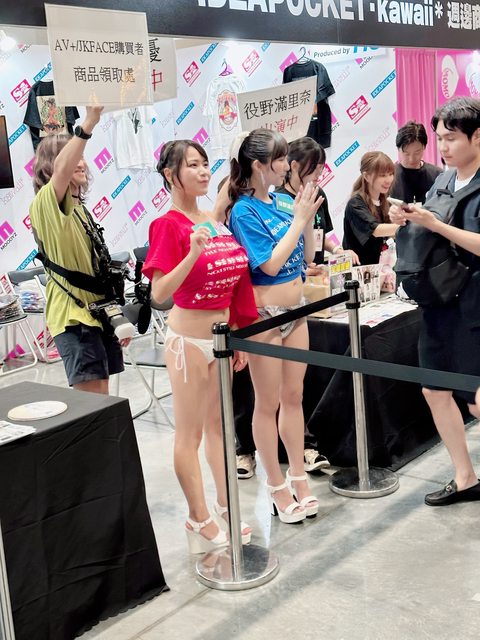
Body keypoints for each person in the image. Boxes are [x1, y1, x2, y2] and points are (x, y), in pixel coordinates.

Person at [142, 139, 258, 553]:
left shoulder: (214, 221)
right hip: (188, 343)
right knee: (189, 435)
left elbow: (236, 280)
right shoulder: (167, 225)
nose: (204, 171)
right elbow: (159, 294)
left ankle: (226, 505)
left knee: (220, 429)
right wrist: (191, 254)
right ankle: (198, 516)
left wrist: (238, 335)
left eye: (205, 163)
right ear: (171, 175)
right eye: (192, 165)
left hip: (222, 340)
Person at [228, 128, 323, 523]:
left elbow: (308, 257)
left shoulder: (285, 201)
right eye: (280, 159)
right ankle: (275, 484)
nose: (286, 166)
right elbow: (268, 264)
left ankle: (298, 475)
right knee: (267, 403)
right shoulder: (243, 211)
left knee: (294, 396)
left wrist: (306, 219)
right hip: (264, 317)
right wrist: (298, 220)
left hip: (296, 309)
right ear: (258, 165)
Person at [389, 97, 480, 506]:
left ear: (477, 137)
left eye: (451, 138)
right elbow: (428, 228)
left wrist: (437, 225)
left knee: (477, 401)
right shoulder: (443, 180)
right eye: (439, 138)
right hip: (437, 302)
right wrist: (408, 218)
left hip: (475, 305)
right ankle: (465, 477)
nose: (443, 147)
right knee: (435, 390)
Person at [29, 105, 130, 395]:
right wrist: (88, 123)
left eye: (83, 156)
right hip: (74, 317)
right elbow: (62, 170)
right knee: (93, 405)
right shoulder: (45, 203)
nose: (81, 163)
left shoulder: (80, 209)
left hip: (97, 313)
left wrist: (115, 316)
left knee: (104, 399)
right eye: (74, 156)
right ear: (51, 166)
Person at [343, 151, 399, 265]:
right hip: (358, 269)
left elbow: (391, 233)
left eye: (391, 174)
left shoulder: (385, 201)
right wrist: (407, 226)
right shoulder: (356, 203)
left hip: (381, 268)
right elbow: (376, 230)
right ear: (367, 176)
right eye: (382, 175)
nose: (389, 179)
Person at [390, 120, 443, 204]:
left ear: (424, 147)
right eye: (406, 154)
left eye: (417, 152)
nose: (411, 159)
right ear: (398, 149)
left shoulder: (438, 175)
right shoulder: (389, 175)